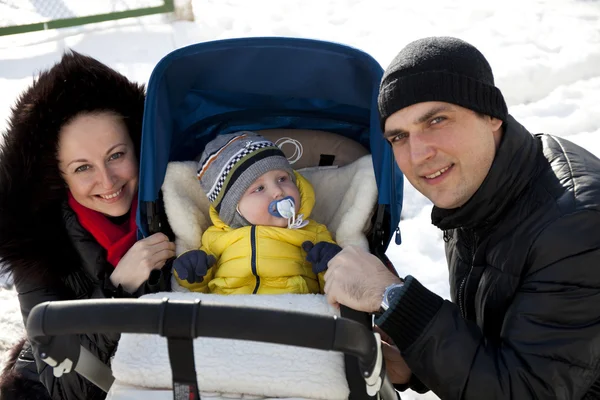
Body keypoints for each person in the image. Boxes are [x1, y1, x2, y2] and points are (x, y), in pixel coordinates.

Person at [322, 36, 600, 399]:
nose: (419, 153)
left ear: (491, 115)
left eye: (436, 120)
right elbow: (504, 337)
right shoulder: (484, 183)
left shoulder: (574, 228)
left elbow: (526, 392)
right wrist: (416, 360)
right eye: (399, 136)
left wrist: (391, 296)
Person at [0, 51, 176, 400]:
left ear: (139, 147)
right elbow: (69, 387)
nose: (107, 181)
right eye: (83, 168)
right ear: (59, 176)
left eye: (116, 155)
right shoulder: (36, 245)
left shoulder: (177, 201)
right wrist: (118, 289)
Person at [173, 131, 341, 295]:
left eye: (282, 179)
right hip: (229, 313)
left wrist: (331, 265)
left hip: (294, 312)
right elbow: (201, 290)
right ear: (234, 209)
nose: (278, 192)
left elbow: (334, 289)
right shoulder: (213, 238)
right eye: (259, 188)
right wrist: (191, 271)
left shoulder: (314, 233)